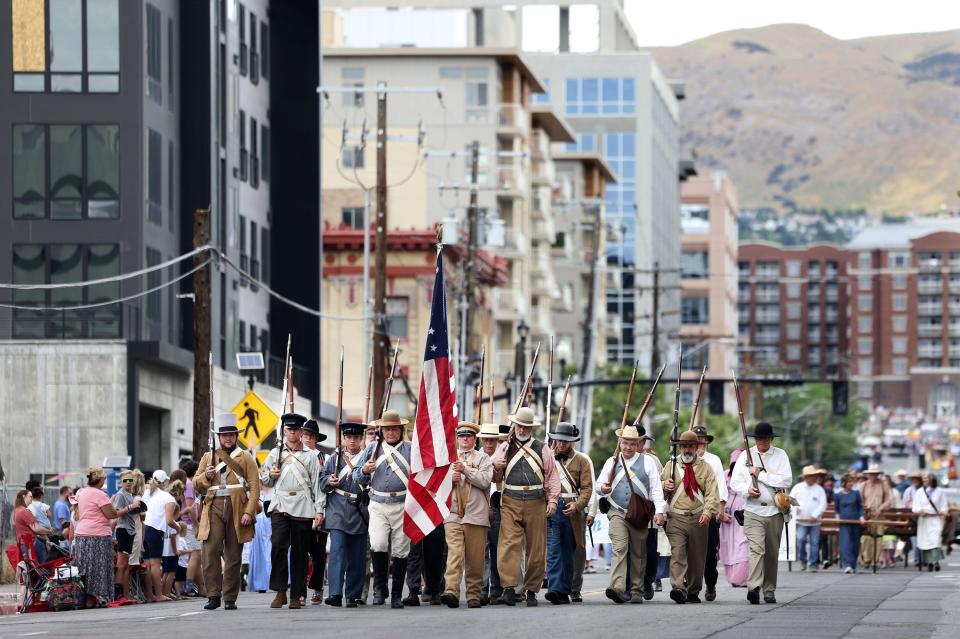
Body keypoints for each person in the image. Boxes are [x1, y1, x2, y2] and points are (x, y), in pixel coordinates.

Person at [490, 406, 561, 607]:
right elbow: (494, 477)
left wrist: (553, 500)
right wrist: (497, 467)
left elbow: (552, 476)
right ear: (515, 426)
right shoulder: (504, 447)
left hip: (536, 500)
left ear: (531, 428)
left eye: (526, 426)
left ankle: (531, 589)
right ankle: (510, 588)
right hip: (510, 499)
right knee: (508, 545)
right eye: (519, 426)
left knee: (536, 549)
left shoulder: (542, 448)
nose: (522, 430)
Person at [196, 413, 262, 611]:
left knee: (234, 554)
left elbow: (254, 486)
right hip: (214, 503)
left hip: (237, 506)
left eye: (231, 434)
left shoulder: (246, 457)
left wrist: (249, 513)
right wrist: (206, 476)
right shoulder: (209, 456)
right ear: (219, 437)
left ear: (236, 436)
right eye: (224, 435)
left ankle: (230, 597)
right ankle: (213, 595)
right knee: (210, 551)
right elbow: (196, 483)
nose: (228, 438)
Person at [595, 424, 667, 605]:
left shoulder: (648, 462)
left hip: (639, 514)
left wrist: (659, 511)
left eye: (632, 444)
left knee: (638, 552)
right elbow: (598, 486)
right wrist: (603, 488)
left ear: (638, 444)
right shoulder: (611, 461)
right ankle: (617, 588)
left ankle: (636, 590)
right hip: (617, 511)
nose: (627, 447)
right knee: (620, 548)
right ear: (620, 442)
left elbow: (657, 489)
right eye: (625, 443)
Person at [262, 412, 324, 610]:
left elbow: (317, 485)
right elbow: (264, 479)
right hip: (280, 503)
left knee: (300, 552)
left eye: (296, 429)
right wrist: (271, 474)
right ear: (284, 430)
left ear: (301, 431)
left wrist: (319, 510)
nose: (292, 432)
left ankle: (297, 594)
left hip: (303, 505)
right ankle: (280, 591)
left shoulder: (311, 456)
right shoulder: (274, 453)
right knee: (278, 546)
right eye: (289, 429)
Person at [354, 409, 414, 609]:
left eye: (394, 428)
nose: (390, 432)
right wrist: (364, 470)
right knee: (378, 544)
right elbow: (357, 477)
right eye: (387, 429)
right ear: (382, 430)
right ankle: (380, 589)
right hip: (378, 503)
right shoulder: (372, 448)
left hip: (403, 503)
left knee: (401, 549)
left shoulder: (411, 449)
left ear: (400, 429)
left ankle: (396, 594)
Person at [730, 421, 793, 605]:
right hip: (753, 510)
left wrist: (760, 475)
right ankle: (754, 587)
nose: (761, 442)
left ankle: (769, 590)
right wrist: (747, 490)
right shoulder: (745, 456)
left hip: (774, 511)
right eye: (758, 438)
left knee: (772, 553)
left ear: (771, 439)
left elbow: (785, 480)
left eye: (765, 439)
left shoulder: (781, 455)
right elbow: (735, 482)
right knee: (756, 549)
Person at [661, 430, 720, 605]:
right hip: (676, 517)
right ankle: (678, 587)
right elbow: (659, 491)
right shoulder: (670, 466)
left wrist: (708, 513)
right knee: (678, 554)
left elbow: (712, 494)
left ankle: (693, 590)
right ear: (680, 447)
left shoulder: (706, 467)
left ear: (696, 448)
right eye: (684, 446)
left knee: (697, 558)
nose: (687, 450)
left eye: (690, 447)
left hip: (698, 518)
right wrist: (665, 485)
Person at [440, 421, 493, 608]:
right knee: (454, 553)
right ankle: (451, 591)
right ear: (457, 438)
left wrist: (465, 470)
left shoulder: (484, 458)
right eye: (461, 436)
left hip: (476, 515)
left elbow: (485, 481)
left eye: (468, 436)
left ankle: (473, 594)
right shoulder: (448, 457)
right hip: (453, 513)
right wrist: (449, 479)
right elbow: (437, 485)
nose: (464, 439)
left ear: (474, 439)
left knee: (475, 558)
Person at [319, 421, 369, 608]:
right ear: (343, 438)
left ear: (361, 438)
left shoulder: (367, 458)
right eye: (349, 437)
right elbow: (322, 482)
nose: (352, 440)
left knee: (357, 554)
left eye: (356, 437)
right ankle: (335, 593)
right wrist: (329, 481)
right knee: (337, 551)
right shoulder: (334, 458)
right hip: (338, 506)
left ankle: (352, 594)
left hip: (359, 506)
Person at [544, 421, 593, 605]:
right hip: (553, 507)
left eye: (566, 441)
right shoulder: (547, 457)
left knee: (570, 551)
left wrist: (578, 505)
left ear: (572, 442)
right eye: (558, 440)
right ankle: (555, 588)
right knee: (554, 550)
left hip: (573, 511)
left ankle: (566, 590)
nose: (562, 444)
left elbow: (587, 488)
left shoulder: (582, 460)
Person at [74, 468, 123, 607]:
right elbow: (112, 514)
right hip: (98, 536)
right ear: (101, 480)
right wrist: (129, 508)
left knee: (84, 568)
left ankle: (84, 598)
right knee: (98, 568)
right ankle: (92, 599)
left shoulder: (81, 492)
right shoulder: (100, 495)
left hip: (81, 535)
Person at [692, 424, 727, 601]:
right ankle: (691, 587)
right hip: (689, 510)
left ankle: (710, 583)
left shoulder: (714, 460)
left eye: (702, 441)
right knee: (690, 552)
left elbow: (721, 485)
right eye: (696, 441)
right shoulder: (682, 459)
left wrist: (720, 508)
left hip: (710, 510)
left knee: (709, 552)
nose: (700, 444)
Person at [478, 422, 509, 605]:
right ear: (482, 439)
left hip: (497, 507)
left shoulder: (504, 455)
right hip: (479, 508)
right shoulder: (476, 456)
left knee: (498, 552)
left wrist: (498, 465)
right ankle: (482, 590)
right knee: (481, 552)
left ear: (498, 440)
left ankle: (496, 589)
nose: (489, 443)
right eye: (486, 439)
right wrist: (492, 463)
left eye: (493, 439)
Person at [144, 470, 185, 602]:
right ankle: (159, 595)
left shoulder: (148, 493)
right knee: (156, 564)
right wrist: (178, 528)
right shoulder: (168, 498)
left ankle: (150, 594)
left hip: (145, 528)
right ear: (166, 482)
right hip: (155, 530)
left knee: (147, 565)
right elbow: (169, 520)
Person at [301, 418, 328, 605]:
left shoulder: (323, 458)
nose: (307, 439)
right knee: (300, 553)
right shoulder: (295, 455)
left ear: (316, 438)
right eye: (304, 435)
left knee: (318, 555)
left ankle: (317, 588)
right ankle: (299, 590)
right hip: (300, 509)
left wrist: (322, 510)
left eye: (310, 436)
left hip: (319, 507)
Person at [112, 470, 144, 601]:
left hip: (130, 531)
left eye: (131, 480)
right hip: (123, 530)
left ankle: (126, 595)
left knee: (126, 565)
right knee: (122, 564)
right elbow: (116, 513)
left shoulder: (129, 495)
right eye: (126, 481)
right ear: (121, 482)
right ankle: (119, 595)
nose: (128, 483)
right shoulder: (120, 495)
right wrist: (131, 506)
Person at [719, 450, 749, 587]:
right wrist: (721, 513)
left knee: (743, 545)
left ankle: (742, 578)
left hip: (742, 518)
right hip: (727, 520)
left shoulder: (748, 476)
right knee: (727, 547)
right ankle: (733, 578)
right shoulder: (724, 475)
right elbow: (718, 494)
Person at [174, 461, 204, 597]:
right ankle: (189, 585)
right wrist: (196, 524)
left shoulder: (184, 484)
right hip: (189, 524)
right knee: (196, 554)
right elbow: (190, 508)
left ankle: (202, 588)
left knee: (196, 558)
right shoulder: (190, 484)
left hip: (182, 523)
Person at [790, 465, 827, 572]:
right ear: (805, 477)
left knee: (815, 542)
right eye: (811, 476)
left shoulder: (819, 489)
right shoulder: (797, 487)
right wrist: (795, 508)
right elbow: (791, 500)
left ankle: (813, 563)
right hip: (801, 521)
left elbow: (822, 504)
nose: (813, 478)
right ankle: (803, 560)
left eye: (814, 476)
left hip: (815, 522)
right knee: (800, 540)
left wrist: (814, 515)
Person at [912, 473, 948, 571]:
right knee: (925, 541)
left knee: (935, 539)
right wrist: (920, 511)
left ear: (932, 479)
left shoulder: (939, 491)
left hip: (936, 519)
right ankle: (929, 562)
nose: (924, 480)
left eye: (926, 478)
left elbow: (943, 504)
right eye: (923, 479)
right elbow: (915, 507)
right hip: (924, 520)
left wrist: (944, 511)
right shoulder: (920, 492)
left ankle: (936, 561)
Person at [858, 465, 891, 568]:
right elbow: (859, 500)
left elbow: (888, 500)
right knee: (865, 537)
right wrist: (863, 509)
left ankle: (874, 561)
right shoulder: (863, 485)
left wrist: (880, 508)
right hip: (867, 515)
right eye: (871, 474)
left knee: (878, 538)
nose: (872, 476)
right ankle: (867, 558)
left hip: (879, 515)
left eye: (875, 474)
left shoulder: (883, 485)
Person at [834, 473, 864, 573]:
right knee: (845, 543)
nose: (851, 484)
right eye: (849, 482)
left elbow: (860, 507)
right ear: (844, 483)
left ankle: (853, 564)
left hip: (855, 521)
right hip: (844, 522)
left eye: (852, 482)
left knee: (855, 543)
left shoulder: (856, 493)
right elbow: (837, 509)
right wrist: (837, 517)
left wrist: (862, 517)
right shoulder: (838, 495)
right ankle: (848, 564)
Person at [12, 489, 49, 564]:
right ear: (24, 496)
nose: (32, 499)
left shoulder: (16, 510)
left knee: (32, 568)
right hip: (31, 543)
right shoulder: (24, 511)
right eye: (30, 497)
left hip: (23, 543)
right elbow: (36, 528)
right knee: (43, 567)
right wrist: (49, 531)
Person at [902, 472, 923, 567]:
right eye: (913, 479)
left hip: (922, 516)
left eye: (917, 479)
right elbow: (905, 505)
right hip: (912, 517)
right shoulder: (908, 491)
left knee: (923, 540)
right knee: (915, 540)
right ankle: (917, 559)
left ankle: (921, 558)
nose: (915, 481)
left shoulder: (924, 490)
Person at [28, 486, 52, 563]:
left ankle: (47, 543)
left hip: (37, 526)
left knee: (42, 536)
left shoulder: (30, 506)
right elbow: (49, 514)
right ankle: (49, 546)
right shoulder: (44, 505)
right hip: (46, 525)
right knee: (46, 537)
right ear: (41, 496)